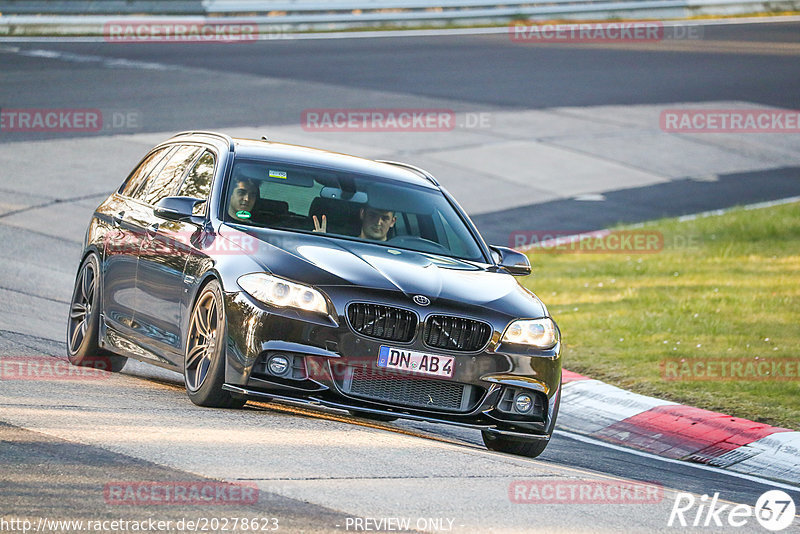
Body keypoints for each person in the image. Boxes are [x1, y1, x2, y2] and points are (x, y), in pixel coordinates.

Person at [313, 206, 396, 242]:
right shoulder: (341, 244)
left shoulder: (399, 254)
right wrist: (320, 242)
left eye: (385, 218)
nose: (378, 222)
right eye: (372, 216)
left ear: (392, 222)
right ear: (362, 214)